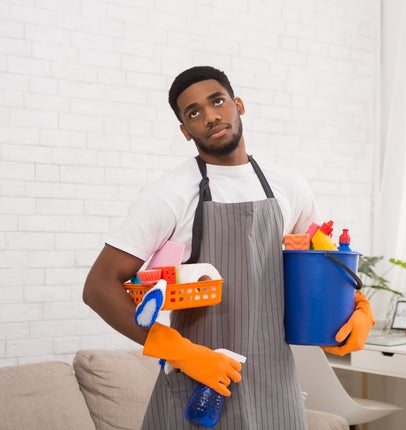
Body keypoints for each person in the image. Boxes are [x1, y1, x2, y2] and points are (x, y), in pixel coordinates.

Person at [83, 65, 374, 429]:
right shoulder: (168, 194)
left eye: (217, 101)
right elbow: (99, 286)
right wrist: (179, 351)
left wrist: (357, 310)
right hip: (199, 383)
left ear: (238, 104)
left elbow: (320, 264)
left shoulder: (290, 187)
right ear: (185, 132)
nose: (210, 116)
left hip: (275, 386)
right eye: (194, 113)